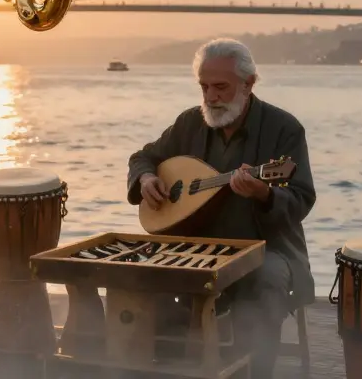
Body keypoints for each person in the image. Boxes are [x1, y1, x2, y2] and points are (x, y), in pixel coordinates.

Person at [126, 38, 316, 379]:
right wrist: (146, 179)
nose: (210, 97)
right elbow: (143, 157)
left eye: (220, 87)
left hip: (265, 247)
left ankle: (253, 373)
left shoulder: (284, 128)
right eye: (204, 87)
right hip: (196, 243)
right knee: (144, 275)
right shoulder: (190, 123)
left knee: (266, 279)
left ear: (249, 83)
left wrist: (264, 194)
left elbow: (301, 198)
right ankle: (168, 368)